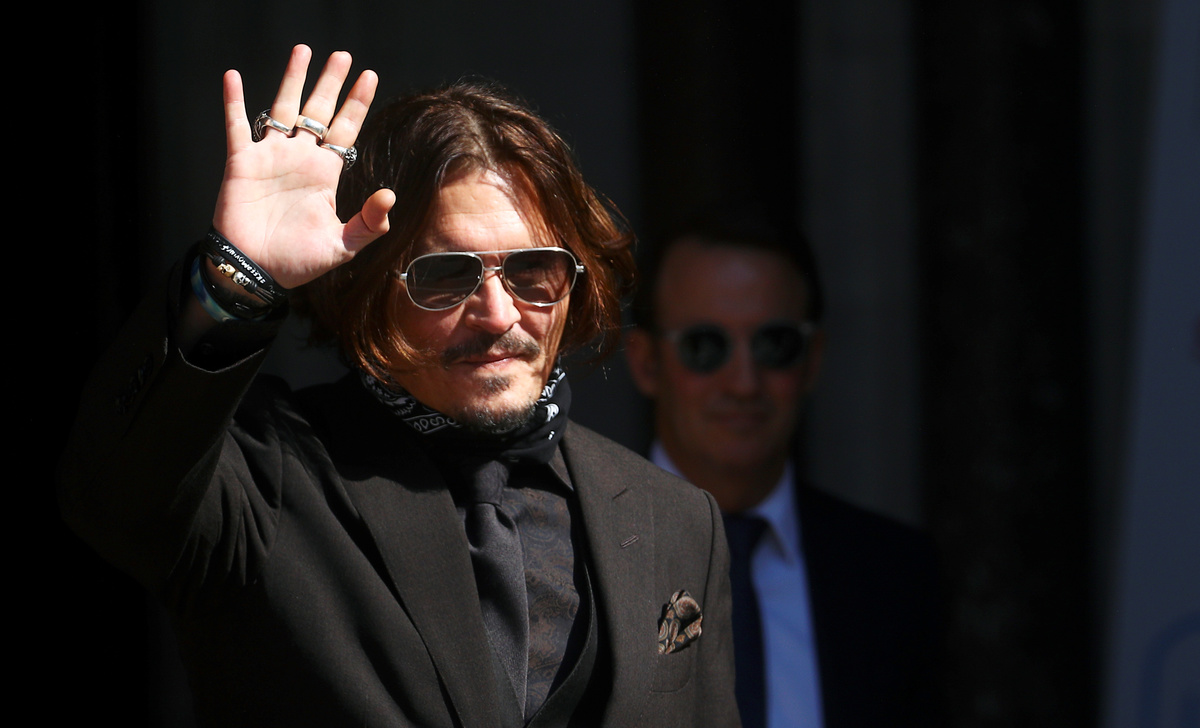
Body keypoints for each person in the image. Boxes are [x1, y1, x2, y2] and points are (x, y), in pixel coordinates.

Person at [58, 46, 736, 728]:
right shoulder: (268, 480)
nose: (498, 315)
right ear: (369, 291)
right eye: (447, 276)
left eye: (534, 271)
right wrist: (238, 278)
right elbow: (116, 495)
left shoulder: (675, 519)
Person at [624, 216, 941, 728]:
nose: (744, 383)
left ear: (812, 359)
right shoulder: (570, 562)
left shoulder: (894, 578)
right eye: (705, 346)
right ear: (646, 363)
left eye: (775, 344)